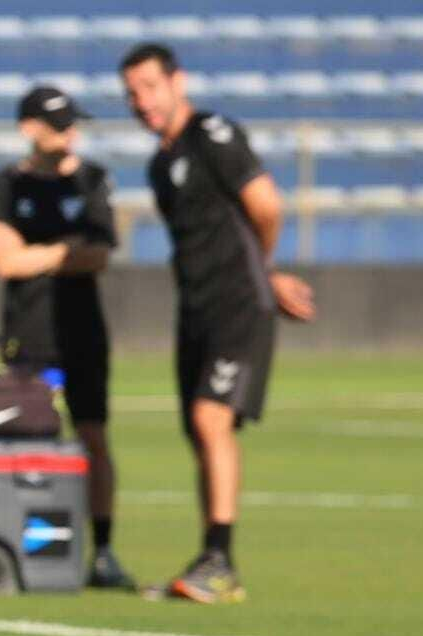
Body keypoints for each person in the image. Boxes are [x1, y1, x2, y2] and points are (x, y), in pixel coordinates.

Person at [121, 42, 316, 603]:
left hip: (236, 303)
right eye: (131, 93)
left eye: (149, 87)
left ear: (177, 81)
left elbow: (266, 204)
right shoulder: (161, 163)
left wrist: (266, 269)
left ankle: (222, 561)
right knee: (199, 431)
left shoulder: (212, 133)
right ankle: (212, 559)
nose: (141, 102)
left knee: (211, 419)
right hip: (196, 307)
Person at [0, 85, 134, 589]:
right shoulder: (3, 185)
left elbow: (99, 255)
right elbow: (4, 261)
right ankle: (29, 549)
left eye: (73, 123)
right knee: (28, 441)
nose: (71, 133)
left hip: (82, 333)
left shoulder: (92, 181)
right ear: (29, 128)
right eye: (60, 123)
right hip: (28, 335)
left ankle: (103, 550)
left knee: (93, 437)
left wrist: (36, 254)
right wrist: (64, 250)